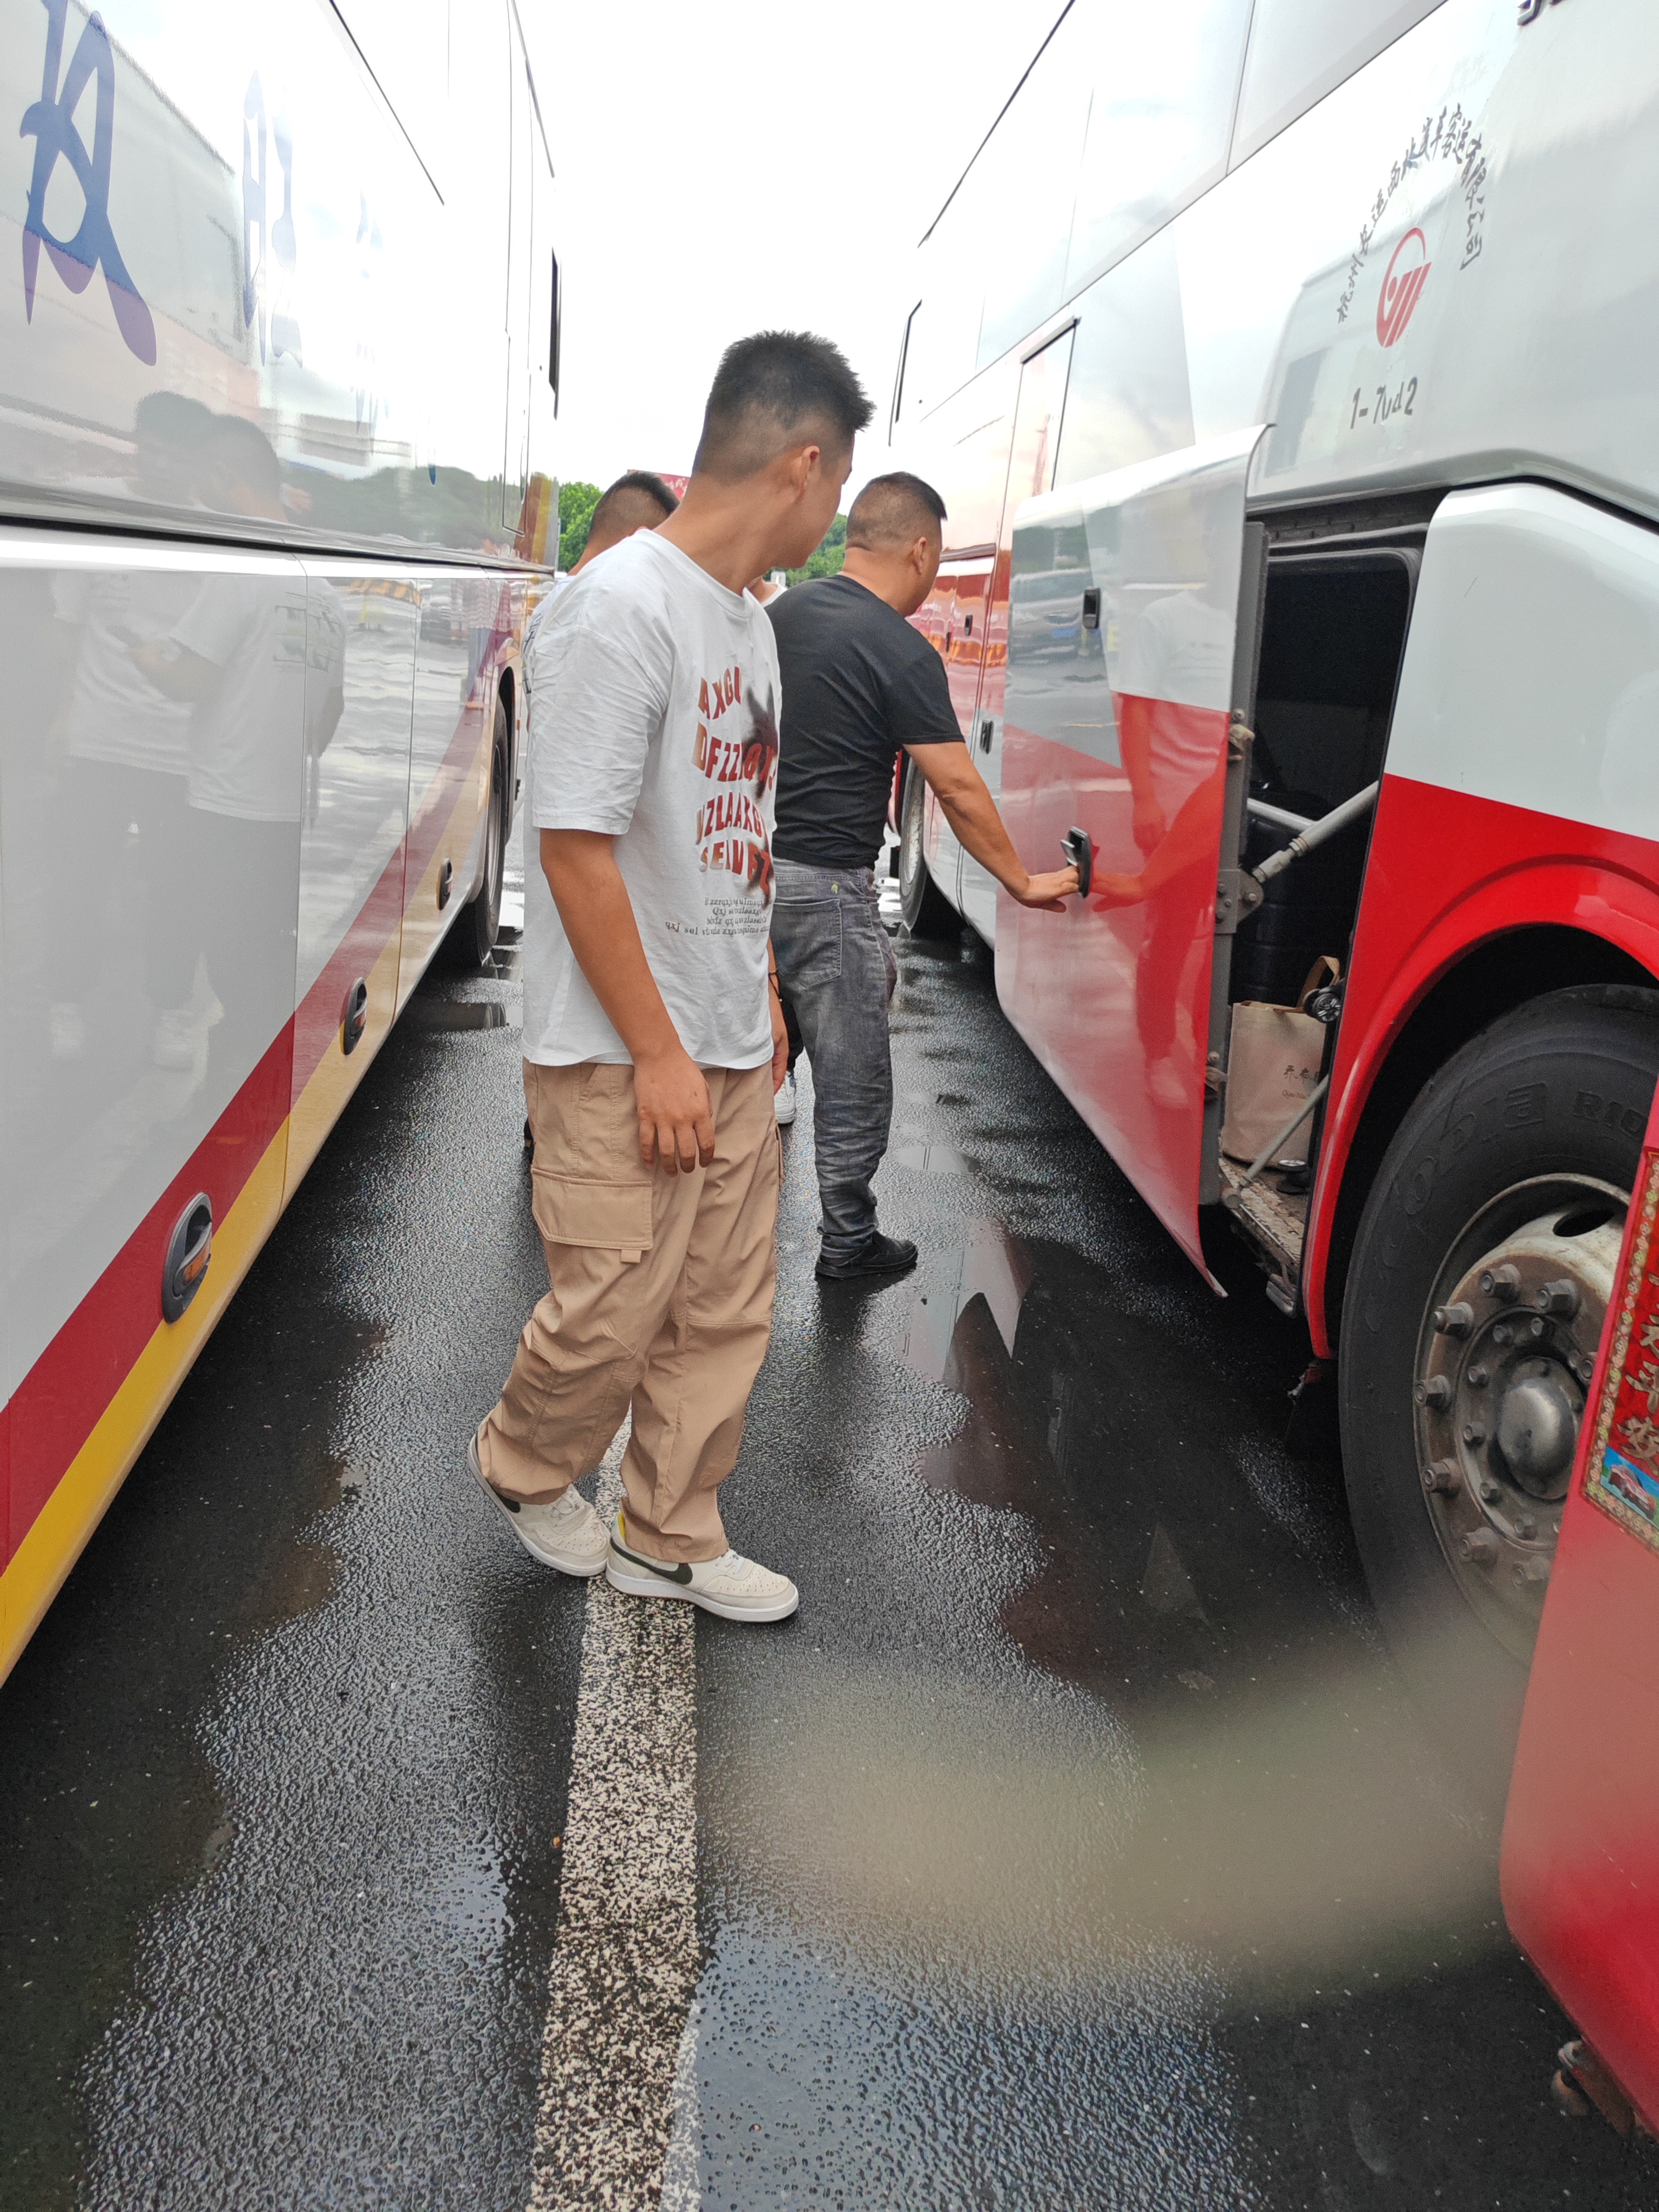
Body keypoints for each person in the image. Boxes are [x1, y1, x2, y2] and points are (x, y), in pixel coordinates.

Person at [470, 331, 872, 1622]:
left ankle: (669, 1528)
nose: (834, 507)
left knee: (719, 1311)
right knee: (611, 1306)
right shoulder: (620, 606)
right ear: (802, 464)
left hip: (732, 1034)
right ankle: (528, 1465)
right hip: (615, 1043)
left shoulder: (748, 626)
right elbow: (576, 848)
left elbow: (730, 826)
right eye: (838, 481)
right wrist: (654, 1049)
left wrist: (753, 983)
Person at [768, 471, 1078, 1280]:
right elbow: (958, 787)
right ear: (920, 548)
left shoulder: (777, 617)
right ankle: (847, 1242)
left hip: (749, 875)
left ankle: (716, 1233)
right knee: (852, 1072)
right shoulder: (901, 650)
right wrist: (1022, 880)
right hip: (830, 890)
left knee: (759, 1054)